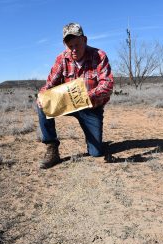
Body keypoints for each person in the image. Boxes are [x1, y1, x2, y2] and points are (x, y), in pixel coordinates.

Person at [37, 22, 114, 168]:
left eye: (76, 45)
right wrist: (42, 94)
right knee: (42, 103)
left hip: (91, 107)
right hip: (68, 104)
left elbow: (107, 85)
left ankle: (93, 141)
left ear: (84, 40)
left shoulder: (99, 56)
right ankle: (52, 148)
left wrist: (85, 96)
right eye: (69, 46)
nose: (73, 49)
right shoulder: (61, 58)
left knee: (96, 152)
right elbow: (50, 83)